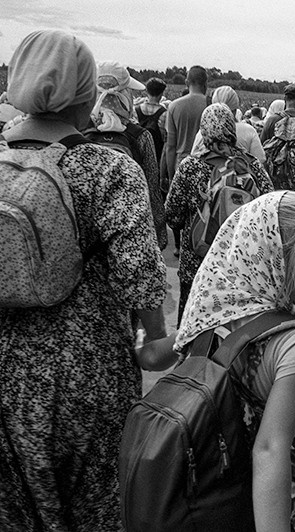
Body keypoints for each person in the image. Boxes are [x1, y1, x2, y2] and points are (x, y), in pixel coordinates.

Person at [0, 29, 167, 531]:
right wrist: (154, 341)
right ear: (89, 96)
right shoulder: (110, 171)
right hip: (89, 389)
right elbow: (143, 305)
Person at [158, 190, 295, 530]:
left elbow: (160, 354)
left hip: (212, 495)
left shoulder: (211, 315)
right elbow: (270, 448)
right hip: (280, 507)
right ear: (272, 259)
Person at [165, 102, 273, 327]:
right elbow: (270, 211)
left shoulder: (190, 167)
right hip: (239, 270)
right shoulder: (251, 166)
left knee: (192, 331)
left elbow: (172, 215)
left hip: (197, 269)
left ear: (204, 132)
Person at [86, 60, 168, 250]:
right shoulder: (140, 137)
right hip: (127, 238)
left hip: (89, 240)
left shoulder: (80, 131)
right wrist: (159, 237)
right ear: (125, 95)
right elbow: (152, 190)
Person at [164, 65, 208, 255]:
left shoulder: (174, 106)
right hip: (207, 163)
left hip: (181, 161)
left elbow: (170, 145)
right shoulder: (211, 104)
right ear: (205, 83)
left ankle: (178, 246)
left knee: (177, 205)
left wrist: (168, 171)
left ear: (186, 82)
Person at [189, 85, 266, 164]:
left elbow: (194, 157)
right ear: (235, 109)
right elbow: (261, 160)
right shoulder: (249, 130)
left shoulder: (203, 132)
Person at [136, 77, 168, 164]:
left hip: (138, 153)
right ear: (161, 94)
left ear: (147, 91)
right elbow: (165, 138)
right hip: (156, 155)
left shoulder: (136, 110)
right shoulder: (164, 113)